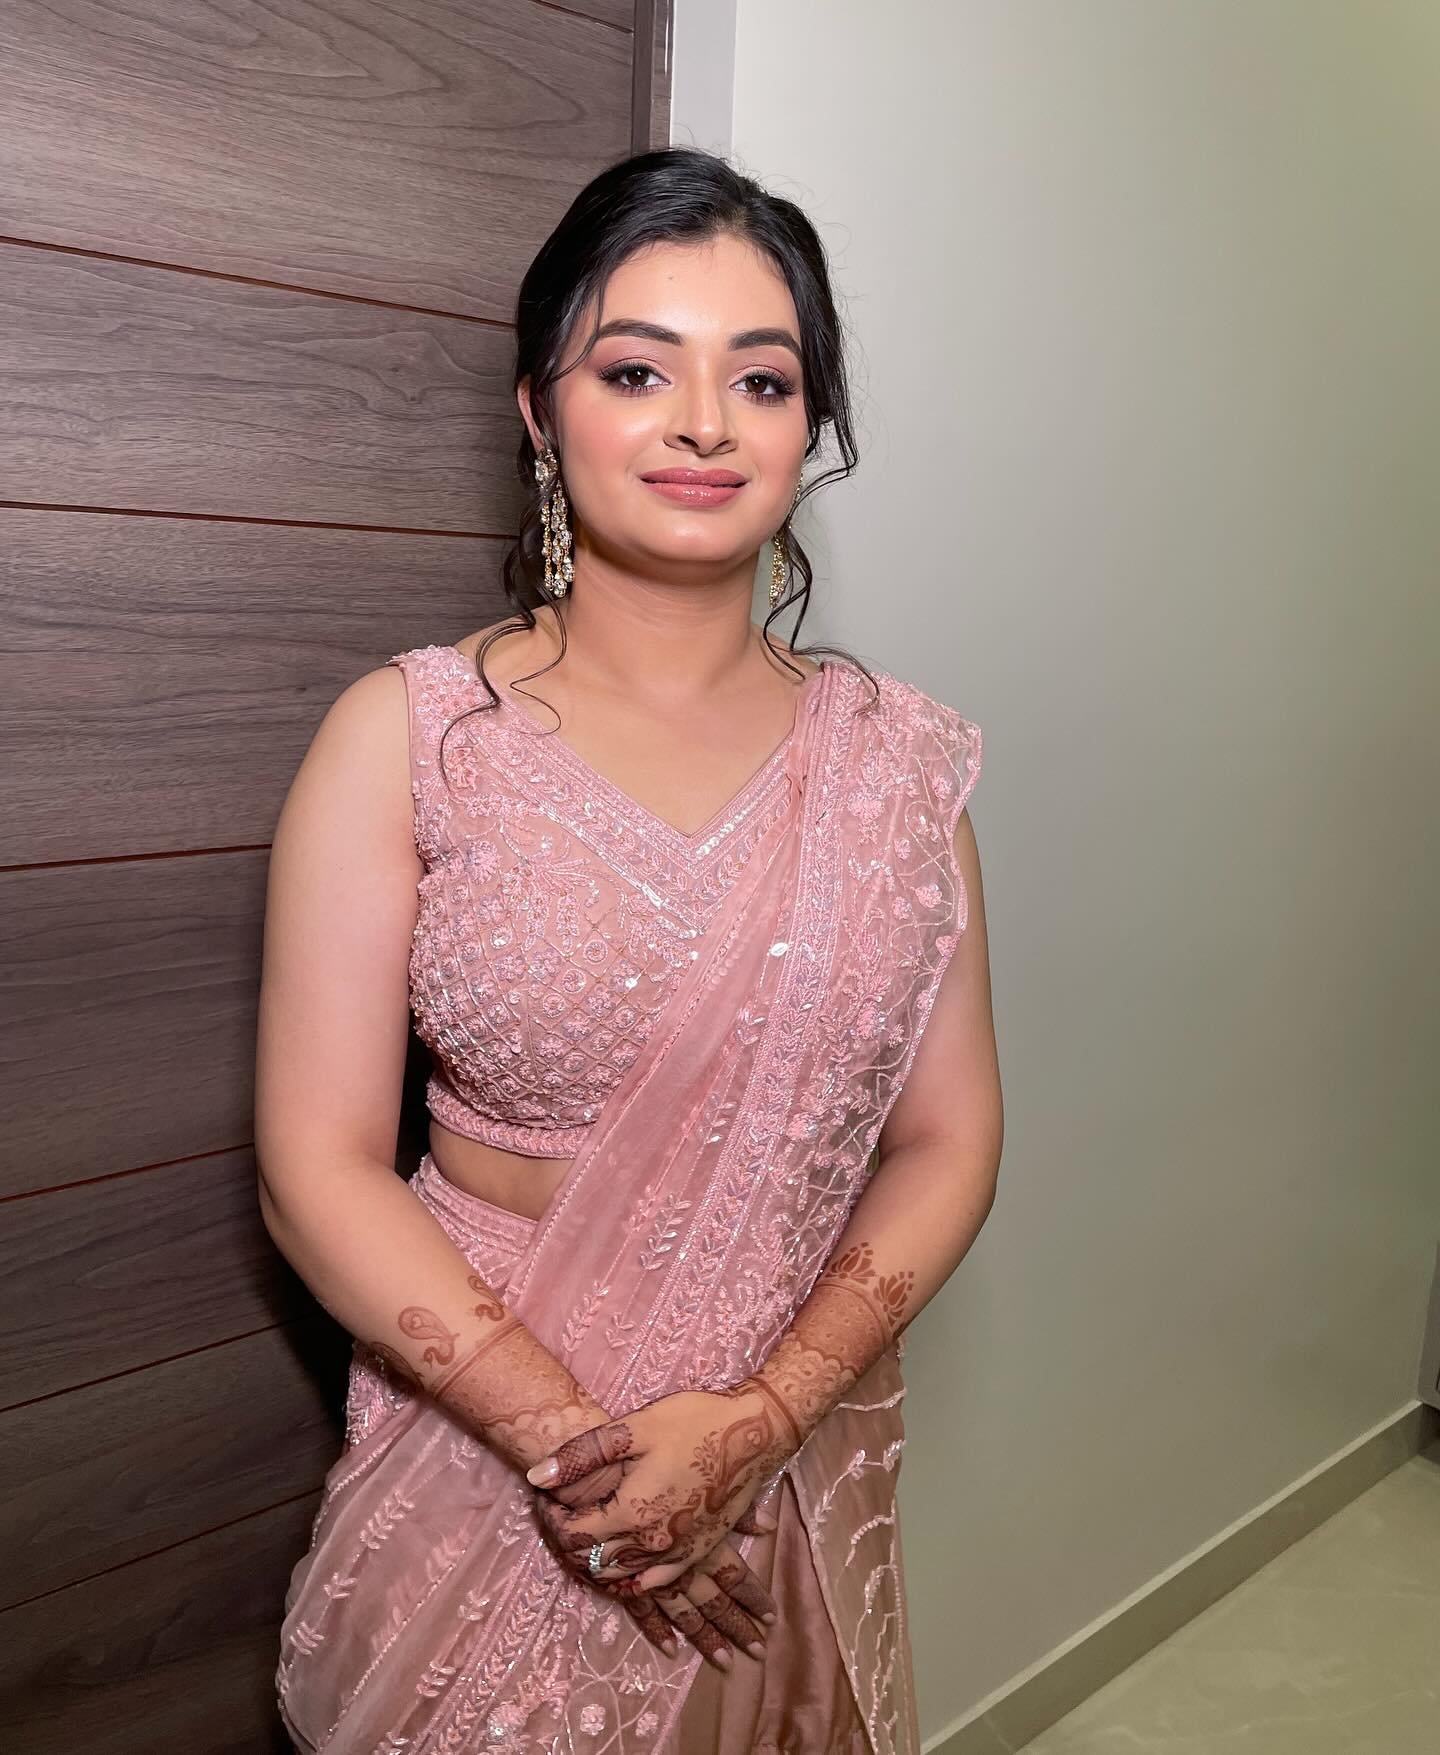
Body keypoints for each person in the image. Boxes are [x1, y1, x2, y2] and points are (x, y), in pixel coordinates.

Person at [257, 145, 1002, 1755]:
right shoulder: (409, 738)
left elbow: (951, 1140)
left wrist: (758, 1423)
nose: (704, 422)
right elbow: (315, 1169)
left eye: (763, 379)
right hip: (482, 1457)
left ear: (810, 426)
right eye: (637, 369)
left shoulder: (898, 770)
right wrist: (574, 1453)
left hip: (774, 1460)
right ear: (542, 412)